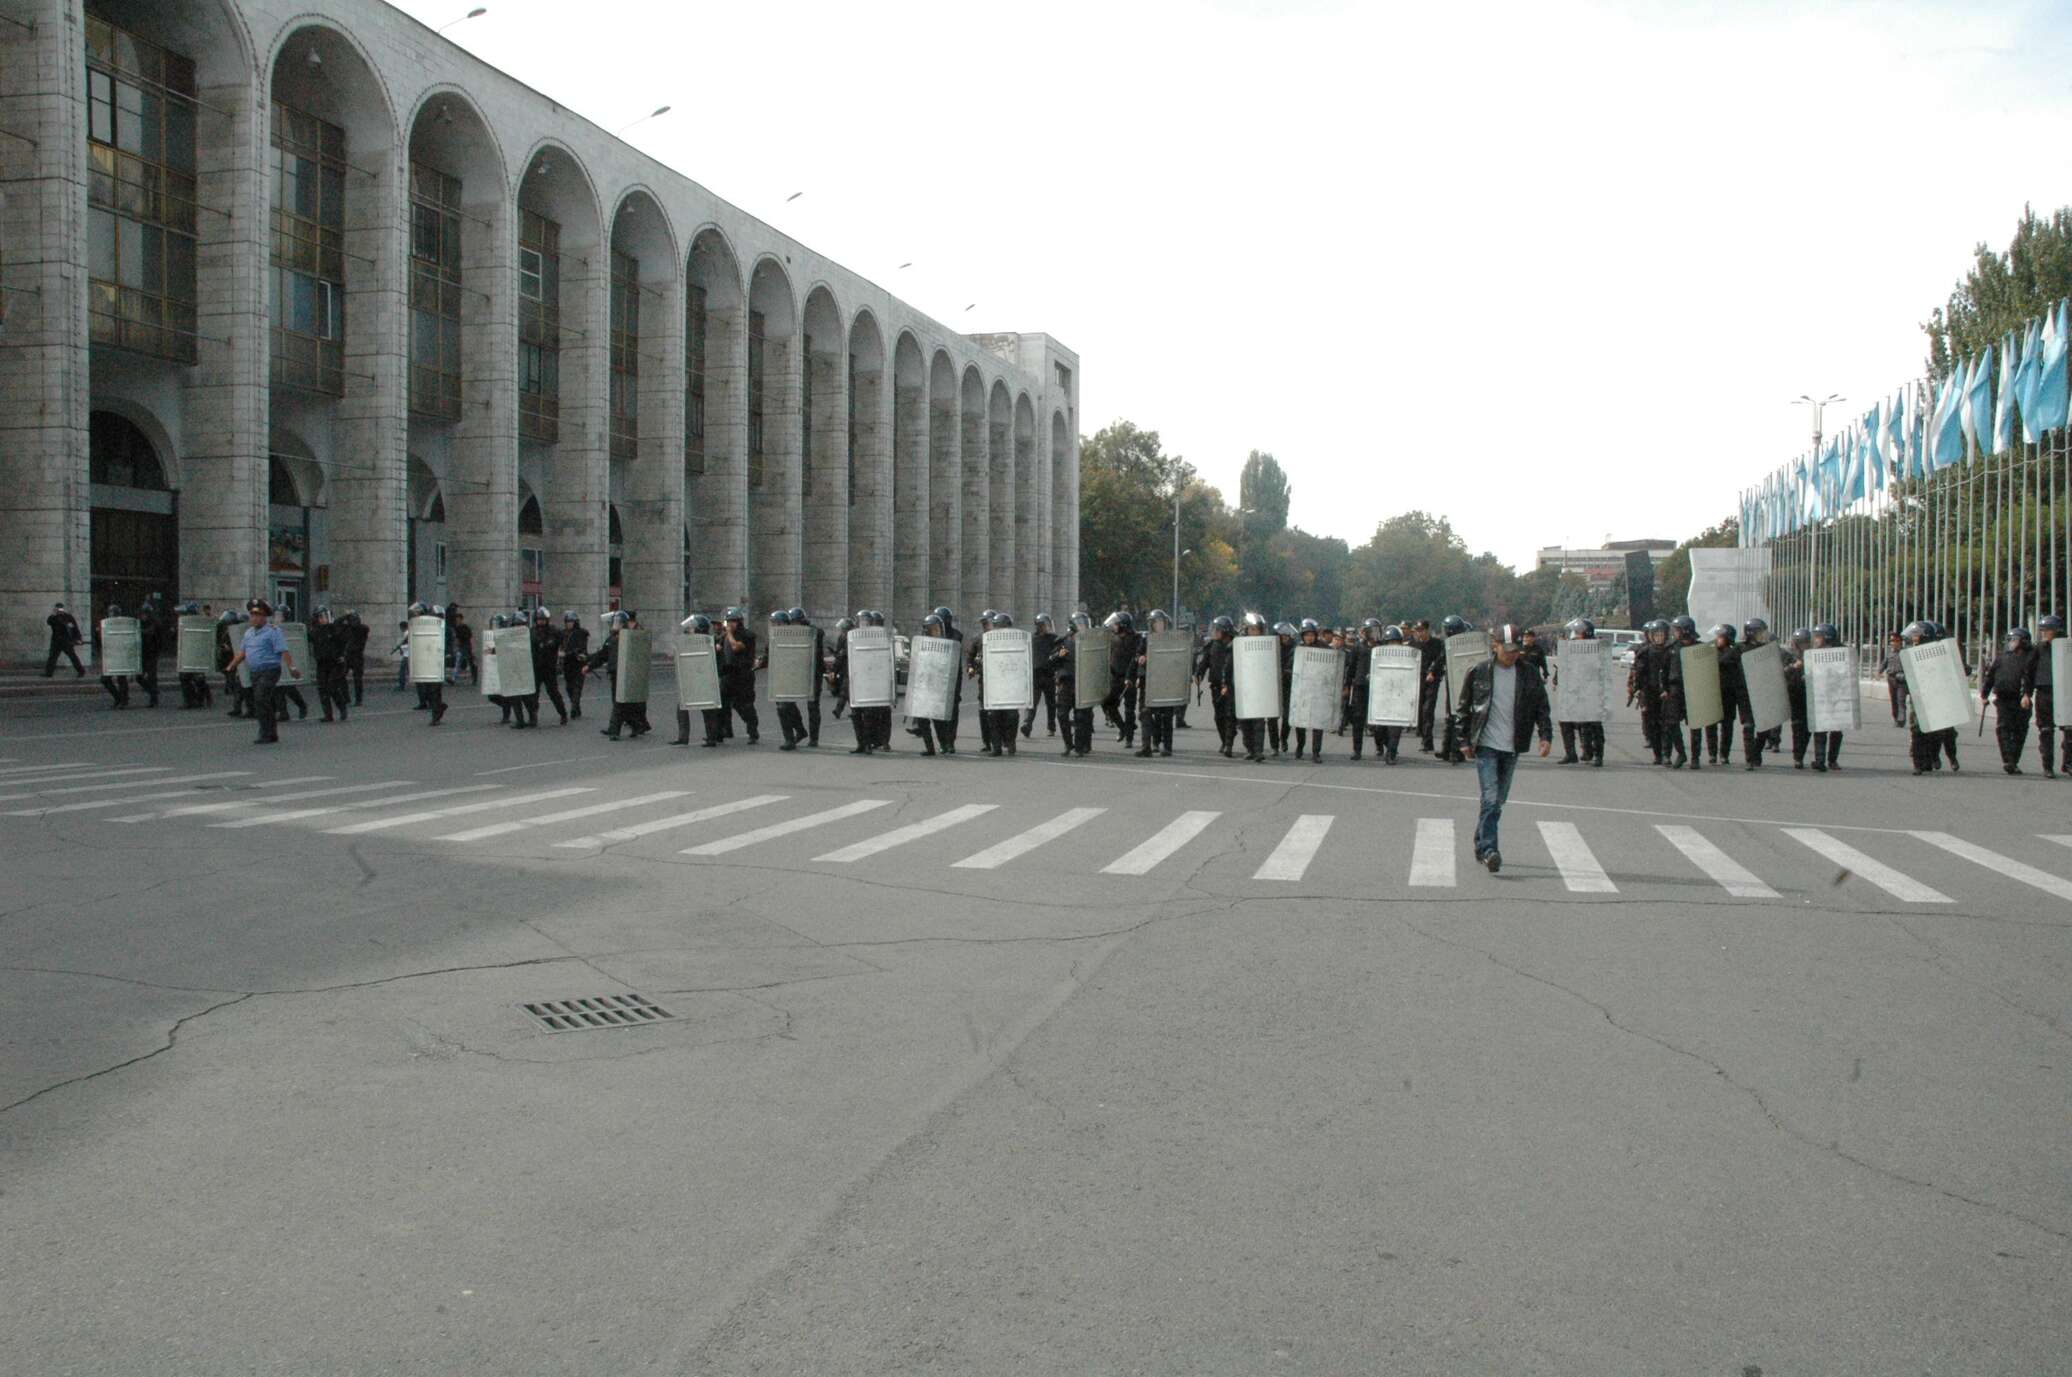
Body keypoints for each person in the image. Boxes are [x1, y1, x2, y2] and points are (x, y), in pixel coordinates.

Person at [1454, 623, 1552, 874]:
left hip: (1512, 745)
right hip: (1486, 744)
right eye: (1507, 649)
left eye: (1516, 650)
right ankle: (1490, 850)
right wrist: (1463, 740)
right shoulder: (1479, 671)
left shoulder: (1529, 673)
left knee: (1498, 801)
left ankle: (1480, 840)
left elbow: (1541, 707)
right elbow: (1463, 709)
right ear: (1494, 646)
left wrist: (1545, 736)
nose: (1512, 655)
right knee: (1489, 797)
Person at [221, 598, 300, 745]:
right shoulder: (249, 633)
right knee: (265, 701)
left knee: (260, 698)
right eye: (252, 615)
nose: (254, 618)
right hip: (255, 672)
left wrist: (292, 667)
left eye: (258, 615)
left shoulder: (273, 632)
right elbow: (242, 652)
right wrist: (231, 665)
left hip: (270, 670)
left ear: (264, 617)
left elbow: (283, 651)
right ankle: (272, 732)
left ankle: (264, 733)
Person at [1981, 626, 2038, 775]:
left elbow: (2029, 678)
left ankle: (2014, 760)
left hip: (2020, 700)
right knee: (2003, 729)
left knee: (2019, 731)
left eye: (2015, 639)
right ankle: (2008, 761)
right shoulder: (2002, 657)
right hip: (2003, 699)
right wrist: (1984, 695)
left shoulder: (2030, 657)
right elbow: (1991, 676)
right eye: (2010, 639)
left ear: (2024, 641)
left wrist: (2027, 695)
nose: (2011, 643)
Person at [588, 609, 652, 740]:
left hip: (628, 674)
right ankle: (638, 725)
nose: (615, 625)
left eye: (618, 623)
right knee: (622, 703)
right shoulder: (611, 639)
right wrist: (589, 665)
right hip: (615, 673)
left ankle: (614, 730)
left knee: (620, 703)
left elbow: (641, 655)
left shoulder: (632, 637)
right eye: (615, 622)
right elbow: (602, 655)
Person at [1554, 617, 1604, 767]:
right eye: (1574, 633)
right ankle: (1570, 754)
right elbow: (1562, 666)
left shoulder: (1596, 649)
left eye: (1578, 633)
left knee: (1592, 724)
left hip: (1590, 692)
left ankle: (1597, 755)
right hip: (1572, 691)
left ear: (1587, 634)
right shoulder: (1570, 649)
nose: (1574, 636)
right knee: (1565, 721)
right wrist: (1558, 679)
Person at [762, 610, 810, 750]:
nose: (773, 626)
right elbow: (768, 654)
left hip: (790, 676)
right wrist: (761, 662)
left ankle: (789, 739)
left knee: (784, 707)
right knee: (786, 706)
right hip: (777, 676)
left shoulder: (794, 637)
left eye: (775, 623)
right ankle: (800, 730)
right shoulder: (772, 638)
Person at [1134, 609, 1177, 758]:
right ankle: (1146, 746)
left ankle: (1167, 746)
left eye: (1160, 622)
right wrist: (1141, 658)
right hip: (1149, 681)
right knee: (1145, 713)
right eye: (1155, 622)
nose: (1158, 625)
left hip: (1165, 681)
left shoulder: (1171, 639)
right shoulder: (1146, 640)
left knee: (1166, 716)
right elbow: (1137, 655)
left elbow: (1176, 658)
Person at [1630, 619, 1672, 765]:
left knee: (1667, 725)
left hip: (1667, 692)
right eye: (1656, 635)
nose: (1659, 637)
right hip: (1650, 692)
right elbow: (1639, 673)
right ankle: (1658, 754)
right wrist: (1637, 689)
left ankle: (1667, 754)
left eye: (1662, 634)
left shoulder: (1671, 651)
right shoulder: (1645, 652)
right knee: (1653, 724)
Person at [717, 606, 760, 745]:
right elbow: (719, 646)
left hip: (743, 675)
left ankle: (752, 732)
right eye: (728, 621)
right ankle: (725, 730)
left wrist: (728, 634)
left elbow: (736, 647)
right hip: (728, 674)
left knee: (744, 705)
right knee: (723, 704)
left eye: (733, 621)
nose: (730, 624)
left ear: (739, 622)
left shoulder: (747, 635)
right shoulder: (725, 636)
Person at [1235, 612, 1273, 762]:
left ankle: (1258, 751)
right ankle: (1250, 749)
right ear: (1246, 630)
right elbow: (1231, 666)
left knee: (1258, 722)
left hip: (1260, 689)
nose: (1254, 632)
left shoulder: (1268, 647)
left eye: (1257, 629)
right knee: (1245, 723)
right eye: (1251, 629)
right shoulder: (1237, 645)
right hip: (1244, 690)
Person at [981, 611, 1020, 756]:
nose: (999, 629)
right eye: (996, 626)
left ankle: (1010, 742)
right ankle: (996, 746)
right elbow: (982, 660)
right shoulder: (988, 641)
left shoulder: (1017, 641)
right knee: (993, 715)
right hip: (994, 684)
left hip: (1011, 684)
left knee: (1012, 716)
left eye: (1001, 626)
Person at [1806, 623, 1843, 772]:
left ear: (1826, 637)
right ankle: (1830, 761)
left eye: (1818, 637)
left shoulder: (1840, 653)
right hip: (1825, 694)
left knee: (1826, 729)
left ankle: (1821, 760)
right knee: (1831, 729)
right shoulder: (1815, 653)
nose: (1815, 640)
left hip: (1832, 694)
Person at [405, 601, 449, 725]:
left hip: (436, 661)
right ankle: (439, 706)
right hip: (424, 660)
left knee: (434, 690)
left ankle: (436, 716)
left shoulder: (444, 628)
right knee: (426, 690)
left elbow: (445, 644)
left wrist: (447, 654)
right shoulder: (419, 627)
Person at [1202, 614, 1237, 758]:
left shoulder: (1236, 646)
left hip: (1231, 687)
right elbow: (1205, 661)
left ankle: (1229, 744)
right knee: (1219, 717)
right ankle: (1224, 741)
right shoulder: (1211, 646)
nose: (1215, 633)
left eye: (1218, 630)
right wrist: (1199, 673)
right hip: (1216, 686)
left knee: (1230, 716)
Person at [1103, 611, 1140, 748]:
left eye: (1116, 624)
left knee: (1129, 710)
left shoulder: (1136, 640)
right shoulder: (1113, 639)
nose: (1114, 627)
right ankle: (1123, 727)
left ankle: (1129, 738)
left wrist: (1135, 677)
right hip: (1115, 678)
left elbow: (1139, 657)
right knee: (1108, 704)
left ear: (1123, 625)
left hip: (1130, 679)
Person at [2035, 614, 2066, 779]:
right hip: (2045, 693)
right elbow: (2028, 671)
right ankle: (2048, 766)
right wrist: (2025, 693)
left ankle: (2068, 763)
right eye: (2042, 630)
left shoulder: (2068, 647)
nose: (2043, 634)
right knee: (2046, 731)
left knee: (2069, 731)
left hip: (2066, 693)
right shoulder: (2038, 649)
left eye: (2047, 630)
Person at [1054, 612, 1088, 758]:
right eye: (1080, 624)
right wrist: (1058, 655)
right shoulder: (1063, 642)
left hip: (1083, 682)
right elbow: (1051, 660)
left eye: (1084, 623)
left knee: (1081, 716)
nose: (1083, 626)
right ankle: (1068, 744)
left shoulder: (1089, 641)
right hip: (1066, 683)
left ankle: (1079, 747)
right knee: (1062, 715)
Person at [790, 606, 824, 748]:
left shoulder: (814, 632)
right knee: (788, 703)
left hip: (813, 673)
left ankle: (814, 738)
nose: (793, 625)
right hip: (796, 672)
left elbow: (819, 633)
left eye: (795, 622)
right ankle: (800, 730)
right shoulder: (790, 633)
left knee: (813, 707)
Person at [530, 607, 569, 725]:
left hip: (549, 667)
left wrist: (561, 657)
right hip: (535, 667)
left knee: (553, 692)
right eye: (539, 619)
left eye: (543, 619)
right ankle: (533, 717)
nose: (541, 621)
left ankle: (563, 714)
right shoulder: (531, 632)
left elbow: (564, 643)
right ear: (535, 620)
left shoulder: (554, 631)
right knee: (533, 694)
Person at [310, 606, 350, 723]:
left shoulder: (335, 629)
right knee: (322, 688)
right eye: (320, 617)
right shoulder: (315, 631)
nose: (322, 619)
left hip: (335, 662)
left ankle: (342, 707)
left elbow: (343, 641)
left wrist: (342, 655)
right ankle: (328, 714)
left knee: (332, 687)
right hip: (322, 662)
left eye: (324, 616)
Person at [1026, 612, 1060, 739]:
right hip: (1035, 675)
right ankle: (1027, 724)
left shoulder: (1054, 639)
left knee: (1051, 704)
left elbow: (1061, 653)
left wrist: (1057, 662)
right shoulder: (1031, 639)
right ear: (1038, 626)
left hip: (1049, 675)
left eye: (1047, 625)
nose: (1046, 627)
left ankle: (1051, 727)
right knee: (1032, 703)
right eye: (1043, 625)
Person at [1782, 628, 1812, 768]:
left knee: (1807, 727)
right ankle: (1797, 757)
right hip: (1793, 692)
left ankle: (1801, 753)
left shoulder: (1813, 656)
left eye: (1806, 643)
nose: (1803, 646)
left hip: (1809, 693)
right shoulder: (1787, 655)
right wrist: (1794, 667)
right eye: (1800, 643)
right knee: (1797, 725)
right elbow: (1781, 672)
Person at [1412, 619, 1443, 752]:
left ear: (1427, 630)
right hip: (1417, 679)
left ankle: (1427, 741)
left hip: (1432, 679)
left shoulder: (1437, 643)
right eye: (1417, 631)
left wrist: (1432, 672)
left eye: (1422, 630)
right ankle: (1422, 734)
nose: (1420, 633)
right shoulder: (1414, 645)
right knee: (1419, 710)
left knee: (1428, 710)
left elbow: (1440, 659)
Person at [97, 604, 135, 708]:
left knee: (121, 678)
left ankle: (123, 700)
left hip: (120, 654)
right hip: (111, 654)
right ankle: (119, 698)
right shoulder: (107, 623)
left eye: (112, 612)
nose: (111, 614)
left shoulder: (123, 623)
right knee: (105, 679)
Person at [217, 609, 250, 717]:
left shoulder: (240, 632)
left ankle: (249, 709)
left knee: (242, 687)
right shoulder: (228, 631)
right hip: (231, 661)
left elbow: (240, 648)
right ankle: (237, 708)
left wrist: (229, 648)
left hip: (238, 661)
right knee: (238, 687)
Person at [560, 611, 590, 719]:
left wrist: (568, 654)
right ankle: (576, 707)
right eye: (567, 621)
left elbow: (581, 648)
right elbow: (561, 646)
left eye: (571, 621)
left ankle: (574, 708)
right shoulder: (563, 633)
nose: (569, 624)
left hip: (579, 663)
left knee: (577, 687)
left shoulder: (581, 633)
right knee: (569, 688)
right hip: (568, 665)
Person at [43, 602, 84, 677]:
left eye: (60, 608)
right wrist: (53, 614)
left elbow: (74, 628)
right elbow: (49, 622)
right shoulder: (53, 617)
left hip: (66, 640)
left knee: (72, 656)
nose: (59, 610)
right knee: (52, 657)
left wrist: (78, 638)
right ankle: (48, 673)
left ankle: (81, 671)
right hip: (56, 640)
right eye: (58, 608)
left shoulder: (68, 617)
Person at [136, 597, 163, 707]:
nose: (143, 616)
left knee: (152, 677)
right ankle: (153, 691)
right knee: (139, 676)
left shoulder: (155, 623)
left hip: (152, 653)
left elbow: (151, 633)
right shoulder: (140, 623)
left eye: (145, 614)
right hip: (143, 653)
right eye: (142, 614)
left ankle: (154, 699)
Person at [1879, 631, 1908, 728]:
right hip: (1891, 679)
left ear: (1899, 641)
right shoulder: (1889, 653)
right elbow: (1884, 664)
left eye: (1894, 640)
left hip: (1901, 680)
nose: (1892, 642)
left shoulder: (1905, 653)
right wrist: (1879, 671)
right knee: (1894, 701)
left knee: (1901, 700)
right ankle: (1896, 718)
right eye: (1891, 640)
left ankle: (1901, 720)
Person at [344, 610, 370, 705]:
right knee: (341, 677)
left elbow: (361, 628)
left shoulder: (362, 629)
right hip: (348, 656)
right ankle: (346, 697)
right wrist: (345, 617)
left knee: (357, 679)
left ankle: (358, 699)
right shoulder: (348, 629)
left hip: (357, 656)